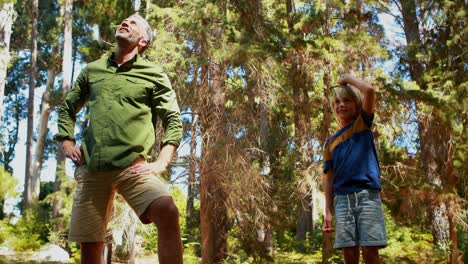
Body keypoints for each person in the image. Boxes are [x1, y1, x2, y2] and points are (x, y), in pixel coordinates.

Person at [54, 13, 183, 264]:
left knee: (167, 211)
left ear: (143, 41)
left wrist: (161, 163)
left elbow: (173, 120)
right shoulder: (93, 70)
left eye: (133, 23)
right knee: (91, 245)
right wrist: (67, 141)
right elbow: (67, 108)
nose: (125, 23)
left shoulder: (153, 74)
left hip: (133, 169)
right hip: (93, 168)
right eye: (124, 21)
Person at [322, 74, 387, 264]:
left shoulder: (362, 124)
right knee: (349, 253)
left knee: (370, 250)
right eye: (337, 102)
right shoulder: (330, 143)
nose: (341, 105)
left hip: (367, 196)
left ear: (356, 104)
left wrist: (348, 79)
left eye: (347, 100)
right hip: (342, 200)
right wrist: (327, 210)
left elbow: (369, 91)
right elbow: (329, 177)